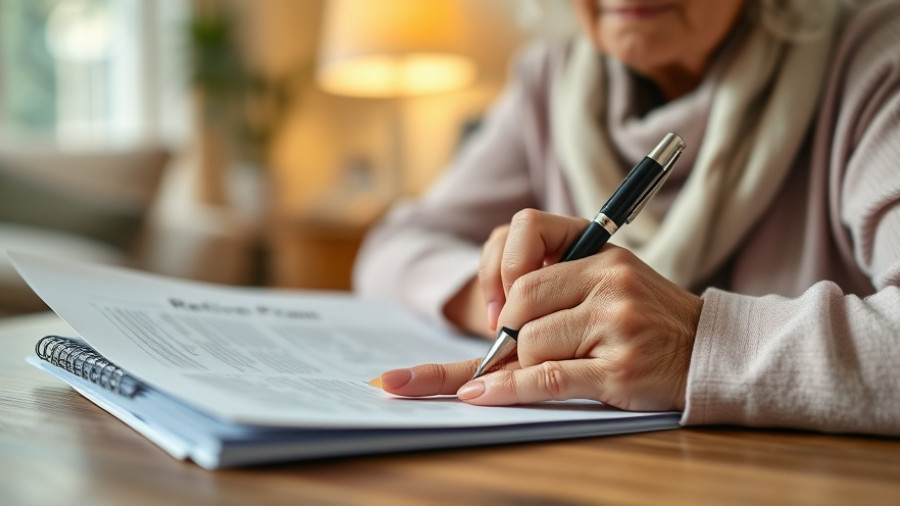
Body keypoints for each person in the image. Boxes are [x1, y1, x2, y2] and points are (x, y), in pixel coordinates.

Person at [353, 0, 900, 435]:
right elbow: (395, 245)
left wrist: (692, 347)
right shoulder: (552, 78)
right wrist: (518, 305)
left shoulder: (876, 57)